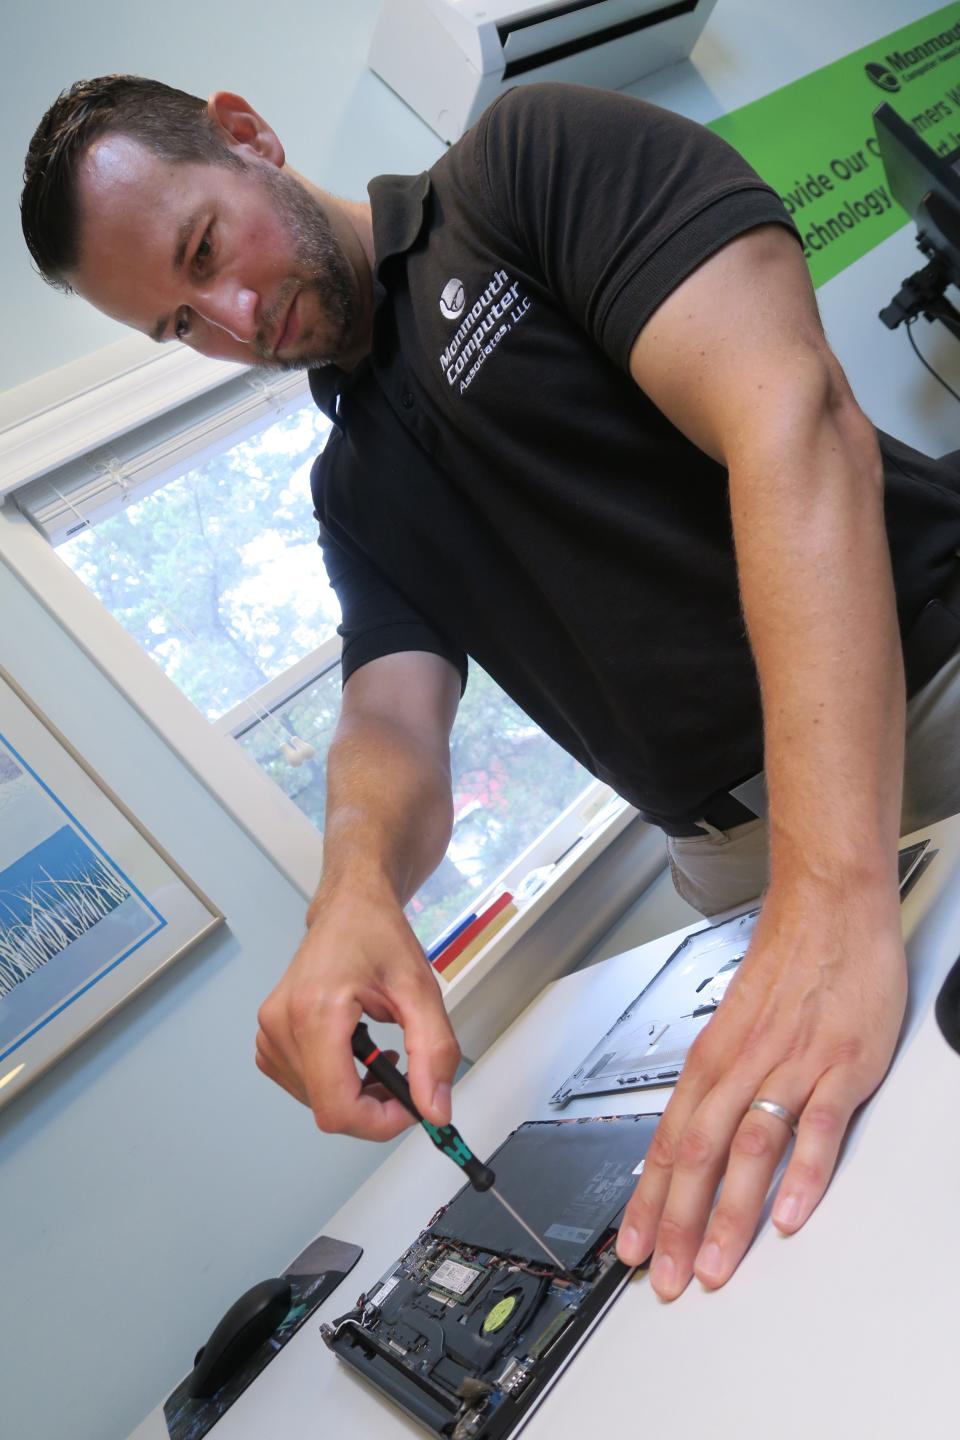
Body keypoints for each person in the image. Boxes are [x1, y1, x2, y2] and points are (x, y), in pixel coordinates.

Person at [20, 75, 960, 1304]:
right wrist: (350, 898)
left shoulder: (523, 164)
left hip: (929, 707)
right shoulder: (352, 487)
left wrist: (833, 892)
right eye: (181, 326)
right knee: (844, 1237)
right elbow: (391, 715)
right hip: (738, 867)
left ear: (248, 134)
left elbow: (791, 416)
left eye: (207, 250)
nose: (235, 321)